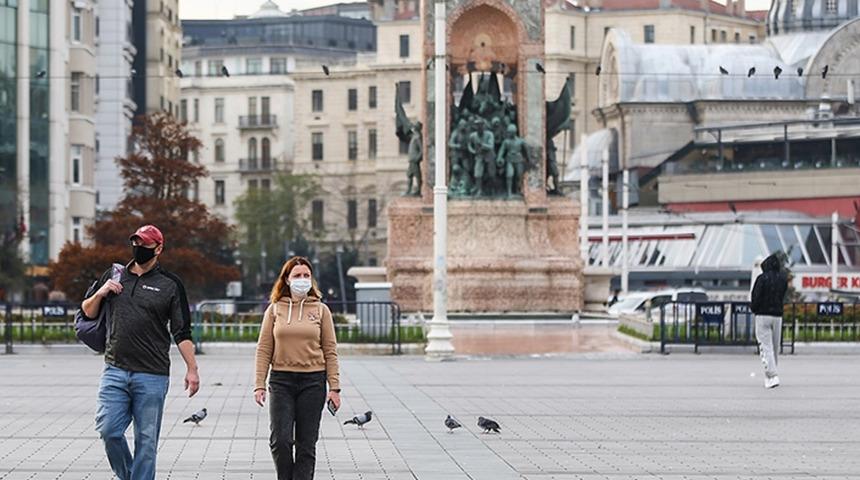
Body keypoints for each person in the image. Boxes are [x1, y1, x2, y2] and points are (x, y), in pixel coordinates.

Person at [82, 224, 199, 480]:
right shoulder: (114, 275)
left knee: (146, 442)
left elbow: (182, 332)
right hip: (114, 369)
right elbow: (87, 311)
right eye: (135, 242)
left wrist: (192, 369)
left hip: (152, 375)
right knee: (108, 430)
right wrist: (101, 292)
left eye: (145, 244)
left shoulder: (170, 284)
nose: (138, 248)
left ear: (158, 248)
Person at [255, 256, 341, 480]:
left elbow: (330, 350)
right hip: (281, 381)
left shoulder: (321, 310)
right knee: (280, 440)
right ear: (286, 279)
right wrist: (259, 384)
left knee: (306, 444)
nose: (302, 280)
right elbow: (264, 348)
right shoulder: (274, 310)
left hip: (313, 381)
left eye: (306, 276)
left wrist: (335, 387)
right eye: (297, 276)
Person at [750, 253, 788, 389]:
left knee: (765, 347)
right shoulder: (783, 279)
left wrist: (754, 308)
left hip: (762, 315)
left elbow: (755, 296)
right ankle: (771, 375)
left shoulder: (762, 278)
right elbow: (783, 294)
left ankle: (772, 375)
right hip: (777, 315)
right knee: (775, 346)